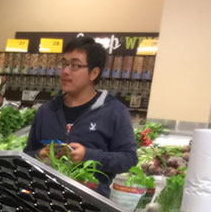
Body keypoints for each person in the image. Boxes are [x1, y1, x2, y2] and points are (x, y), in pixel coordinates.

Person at [24, 35, 137, 195]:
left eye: (75, 66)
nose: (65, 71)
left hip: (88, 207)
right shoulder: (46, 111)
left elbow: (128, 159)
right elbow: (26, 154)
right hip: (44, 200)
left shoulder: (114, 112)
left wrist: (88, 155)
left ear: (94, 73)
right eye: (64, 64)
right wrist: (39, 155)